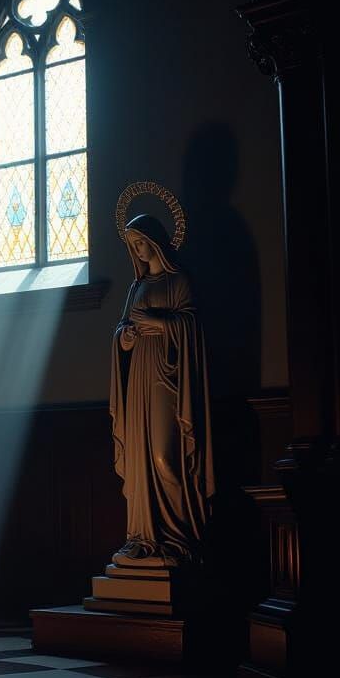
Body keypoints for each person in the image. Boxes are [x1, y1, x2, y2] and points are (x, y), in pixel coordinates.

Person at [110, 213, 215, 567]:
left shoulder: (178, 280)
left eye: (141, 243)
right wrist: (125, 337)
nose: (138, 251)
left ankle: (177, 539)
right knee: (141, 462)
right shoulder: (136, 288)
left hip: (168, 377)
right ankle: (142, 537)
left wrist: (156, 323)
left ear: (155, 242)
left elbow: (192, 327)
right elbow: (122, 332)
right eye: (132, 246)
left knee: (164, 458)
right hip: (139, 375)